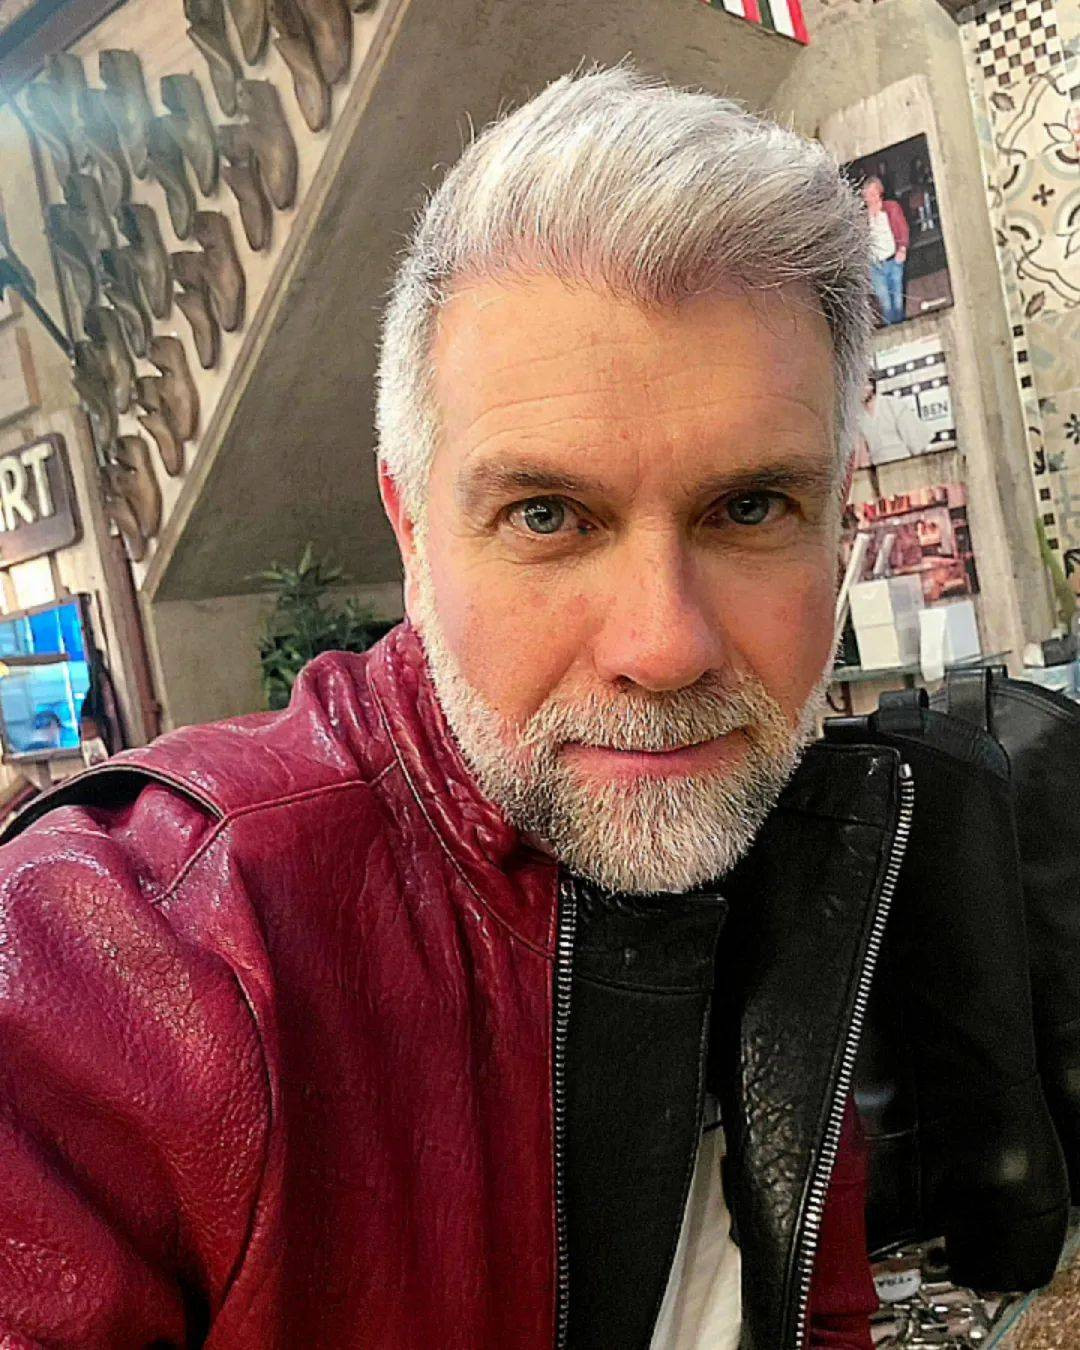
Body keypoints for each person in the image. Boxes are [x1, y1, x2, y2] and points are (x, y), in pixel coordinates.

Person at [0, 68, 883, 1348]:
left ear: (838, 517)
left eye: (750, 508)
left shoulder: (795, 842)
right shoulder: (124, 960)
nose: (665, 647)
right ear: (412, 536)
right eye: (548, 516)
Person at [861, 175, 909, 325]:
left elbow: (903, 228)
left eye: (873, 193)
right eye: (867, 194)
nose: (871, 197)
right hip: (875, 266)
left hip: (893, 260)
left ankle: (902, 328)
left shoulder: (892, 208)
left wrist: (902, 249)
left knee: (898, 301)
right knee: (885, 305)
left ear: (880, 192)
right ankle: (892, 330)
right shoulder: (862, 218)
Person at [858, 370, 933, 465]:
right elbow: (862, 458)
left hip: (905, 464)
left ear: (872, 384)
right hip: (878, 469)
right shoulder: (857, 419)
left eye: (864, 383)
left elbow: (919, 445)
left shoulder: (894, 405)